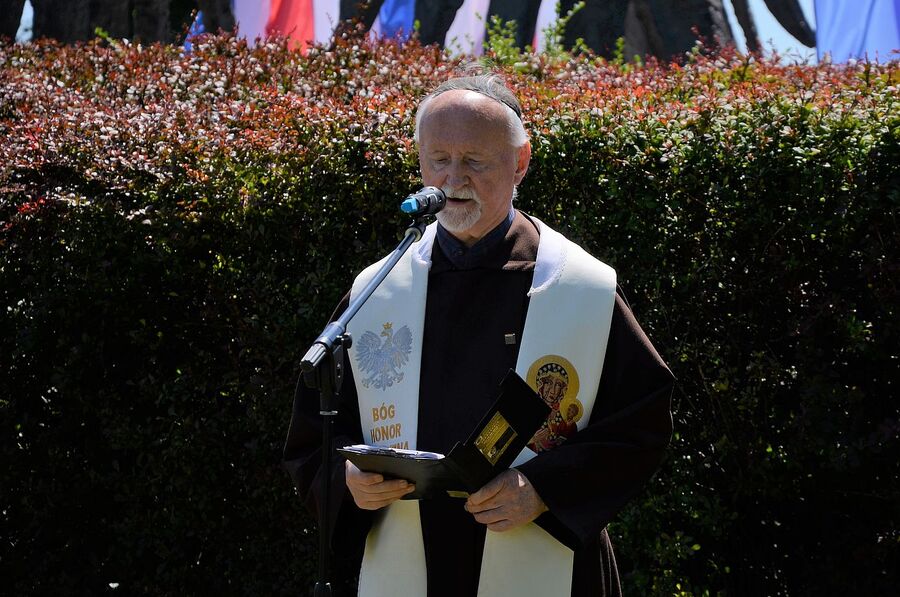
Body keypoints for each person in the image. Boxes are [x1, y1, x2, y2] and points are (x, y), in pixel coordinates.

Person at [283, 73, 674, 597]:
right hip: (411, 557)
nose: (451, 179)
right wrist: (348, 482)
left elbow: (640, 425)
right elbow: (318, 434)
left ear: (520, 162)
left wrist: (543, 488)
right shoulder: (380, 287)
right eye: (438, 159)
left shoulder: (577, 286)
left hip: (539, 550)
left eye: (474, 160)